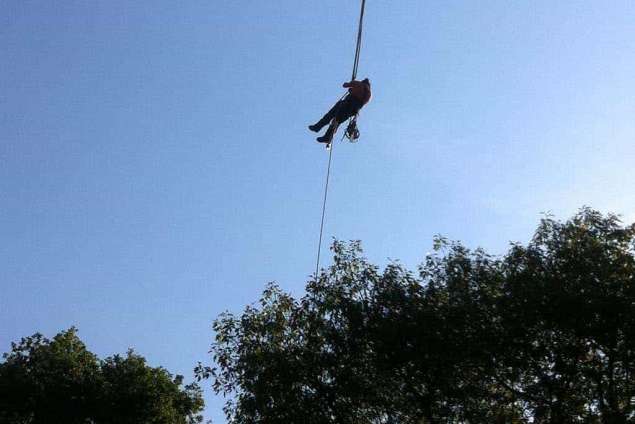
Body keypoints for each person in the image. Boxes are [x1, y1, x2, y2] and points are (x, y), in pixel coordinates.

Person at [309, 78, 371, 144]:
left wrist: (351, 83)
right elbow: (361, 100)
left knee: (330, 115)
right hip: (353, 110)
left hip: (346, 104)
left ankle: (318, 127)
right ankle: (327, 137)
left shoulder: (358, 83)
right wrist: (352, 90)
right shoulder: (369, 94)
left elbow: (345, 85)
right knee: (337, 121)